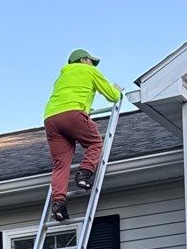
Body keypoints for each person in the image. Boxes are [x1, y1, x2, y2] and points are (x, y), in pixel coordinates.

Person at [43, 49, 125, 222]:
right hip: (72, 114)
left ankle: (58, 205)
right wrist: (118, 91)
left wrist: (86, 110)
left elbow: (70, 96)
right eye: (90, 61)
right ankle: (84, 174)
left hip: (50, 119)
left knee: (60, 164)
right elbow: (112, 96)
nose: (92, 64)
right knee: (95, 143)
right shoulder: (90, 71)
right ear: (83, 59)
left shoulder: (62, 77)